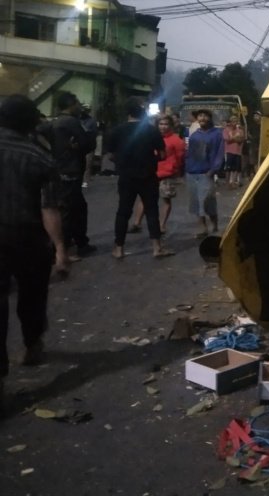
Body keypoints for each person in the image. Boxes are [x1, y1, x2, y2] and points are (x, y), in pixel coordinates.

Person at [0, 95, 69, 410]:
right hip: (27, 238)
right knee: (32, 295)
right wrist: (60, 250)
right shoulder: (40, 158)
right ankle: (31, 346)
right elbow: (49, 209)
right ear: (32, 124)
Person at [105, 97, 174, 259]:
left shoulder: (117, 130)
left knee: (123, 212)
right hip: (148, 176)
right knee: (151, 211)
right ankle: (157, 248)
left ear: (127, 113)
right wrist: (151, 159)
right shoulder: (151, 131)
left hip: (126, 177)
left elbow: (110, 155)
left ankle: (119, 248)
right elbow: (163, 155)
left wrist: (122, 161)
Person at [50, 92, 96, 259]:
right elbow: (88, 143)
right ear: (71, 104)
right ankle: (65, 248)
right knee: (70, 210)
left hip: (62, 170)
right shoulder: (71, 122)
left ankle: (80, 242)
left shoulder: (55, 122)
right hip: (70, 172)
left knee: (76, 208)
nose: (79, 106)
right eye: (77, 103)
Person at [129, 115, 185, 234]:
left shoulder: (176, 140)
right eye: (161, 124)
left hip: (168, 174)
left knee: (166, 199)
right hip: (151, 172)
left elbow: (180, 157)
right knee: (144, 198)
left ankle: (161, 225)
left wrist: (175, 170)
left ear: (171, 126)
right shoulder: (152, 137)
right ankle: (137, 223)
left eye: (166, 124)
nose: (163, 127)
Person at [185, 109, 223, 237]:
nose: (202, 118)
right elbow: (189, 154)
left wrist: (213, 170)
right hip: (192, 171)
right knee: (196, 202)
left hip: (207, 172)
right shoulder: (194, 135)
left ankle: (215, 225)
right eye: (200, 116)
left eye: (205, 116)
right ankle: (203, 228)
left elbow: (219, 153)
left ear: (210, 118)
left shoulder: (217, 134)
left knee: (208, 201)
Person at [222, 115, 245, 188]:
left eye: (236, 121)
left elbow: (241, 140)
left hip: (237, 152)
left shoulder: (240, 130)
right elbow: (227, 140)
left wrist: (232, 138)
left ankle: (233, 182)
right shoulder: (226, 130)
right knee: (228, 168)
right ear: (230, 122)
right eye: (233, 121)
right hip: (229, 151)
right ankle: (227, 182)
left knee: (236, 168)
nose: (234, 123)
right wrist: (235, 138)